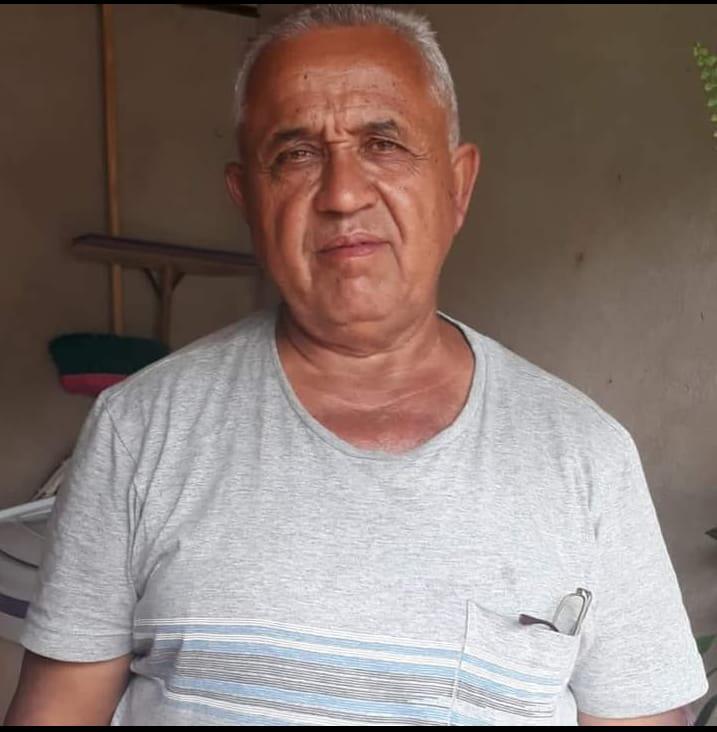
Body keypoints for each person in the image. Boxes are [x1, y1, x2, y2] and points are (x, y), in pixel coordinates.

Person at [5, 4, 708, 726]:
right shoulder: (139, 429)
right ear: (247, 199)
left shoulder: (584, 457)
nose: (342, 194)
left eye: (384, 144)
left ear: (457, 186)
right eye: (295, 155)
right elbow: (59, 713)